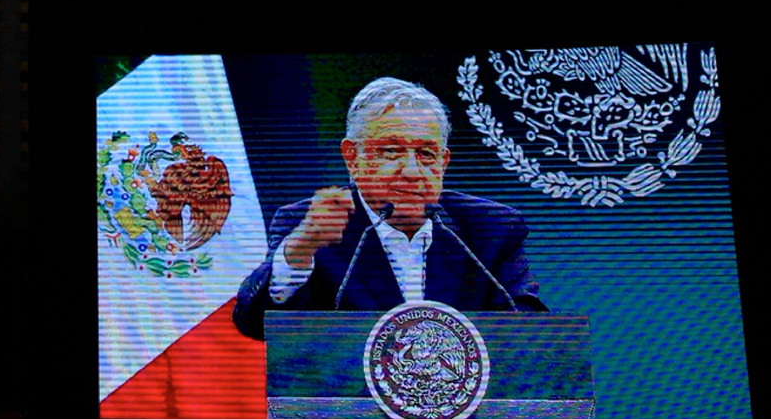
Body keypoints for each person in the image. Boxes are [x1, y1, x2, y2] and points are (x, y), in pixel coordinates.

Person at [232, 76, 543, 338]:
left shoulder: (492, 228)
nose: (411, 170)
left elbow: (529, 327)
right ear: (352, 158)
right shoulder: (307, 227)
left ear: (444, 162)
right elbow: (255, 324)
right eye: (391, 151)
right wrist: (298, 252)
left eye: (425, 154)